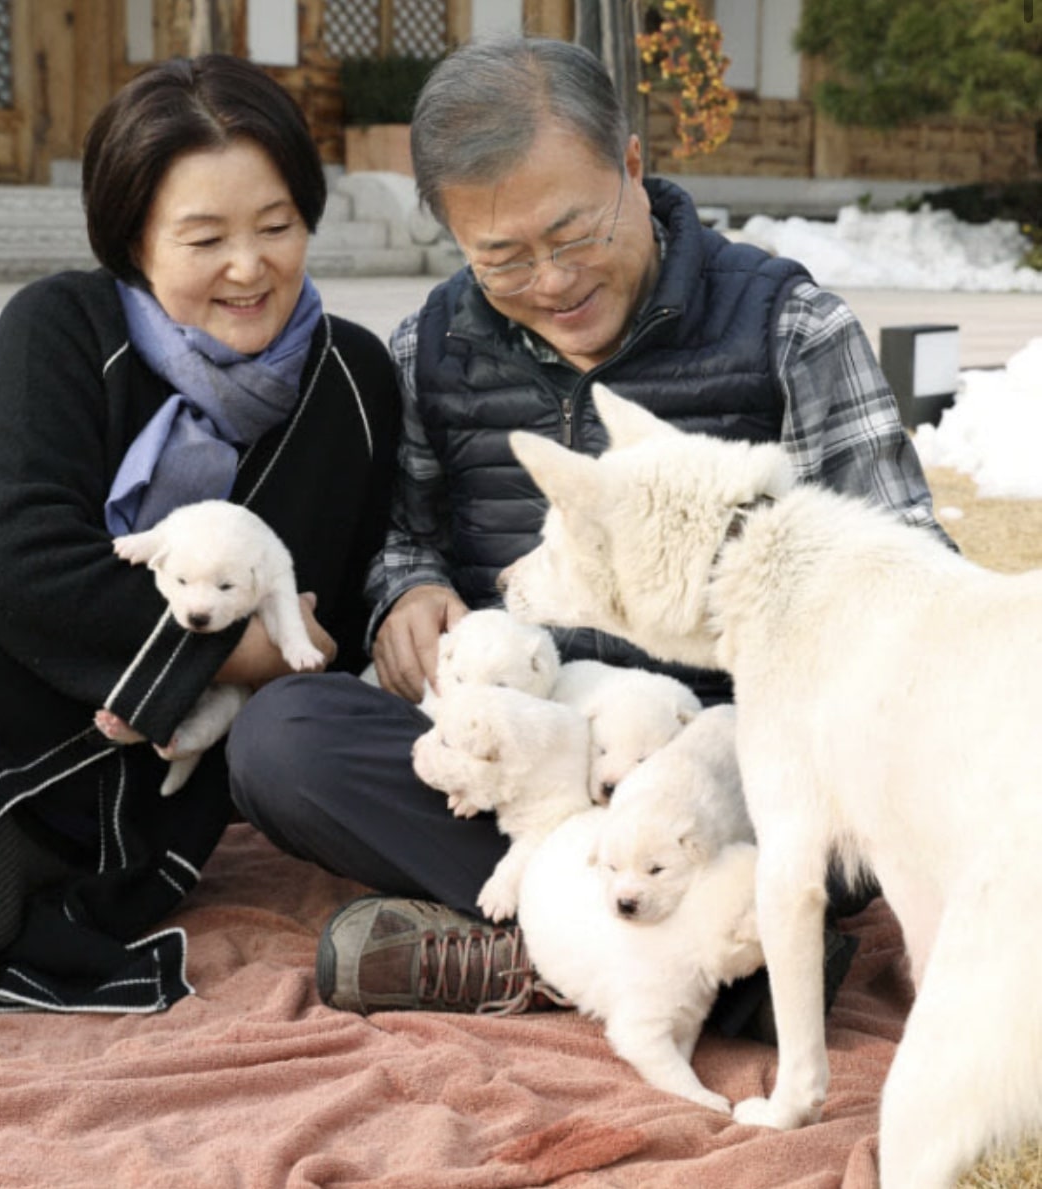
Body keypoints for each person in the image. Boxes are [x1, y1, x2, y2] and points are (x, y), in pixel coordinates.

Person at [227, 36, 949, 1024]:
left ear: (634, 168)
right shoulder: (430, 347)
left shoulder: (787, 328)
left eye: (573, 235)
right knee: (281, 740)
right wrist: (408, 592)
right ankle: (712, 964)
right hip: (529, 742)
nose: (553, 280)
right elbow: (403, 533)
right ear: (453, 241)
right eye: (503, 259)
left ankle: (546, 952)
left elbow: (912, 578)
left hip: (727, 757)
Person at [0, 54, 400, 1013]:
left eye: (276, 225)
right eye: (204, 237)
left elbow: (331, 607)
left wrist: (279, 653)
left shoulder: (354, 380)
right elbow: (6, 558)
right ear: (133, 236)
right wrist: (236, 644)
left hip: (127, 791)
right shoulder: (60, 325)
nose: (249, 266)